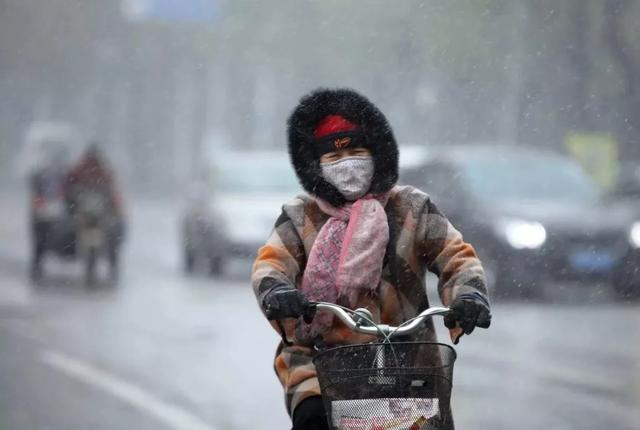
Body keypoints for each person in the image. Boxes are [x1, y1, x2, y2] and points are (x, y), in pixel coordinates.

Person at [251, 88, 491, 430]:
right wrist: (277, 292)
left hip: (408, 364)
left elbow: (456, 256)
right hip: (322, 364)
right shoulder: (300, 217)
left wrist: (469, 295)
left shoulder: (411, 208)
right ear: (315, 167)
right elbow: (271, 264)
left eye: (356, 151)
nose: (347, 163)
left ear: (377, 154)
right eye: (334, 158)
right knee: (313, 419)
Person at [64, 142, 125, 278]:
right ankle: (111, 264)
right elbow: (68, 188)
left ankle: (112, 264)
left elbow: (112, 192)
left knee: (114, 232)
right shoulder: (86, 170)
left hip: (98, 213)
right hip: (85, 212)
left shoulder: (98, 171)